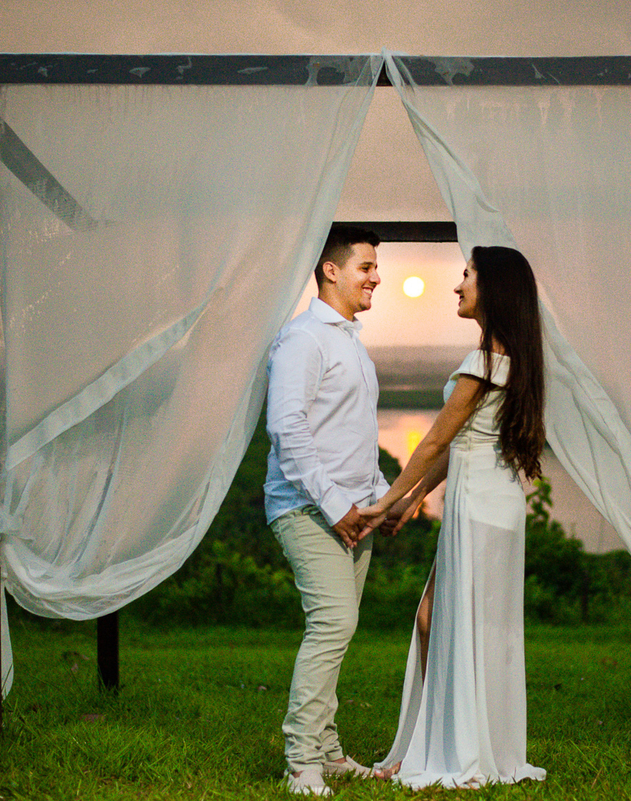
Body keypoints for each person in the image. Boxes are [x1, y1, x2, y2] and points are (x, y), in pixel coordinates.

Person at [357, 245, 548, 789]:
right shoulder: (512, 360)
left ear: (494, 289)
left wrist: (387, 500)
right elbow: (457, 446)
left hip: (480, 506)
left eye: (467, 275)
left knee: (450, 622)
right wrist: (412, 499)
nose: (458, 285)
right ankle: (452, 744)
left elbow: (437, 440)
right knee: (458, 623)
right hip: (494, 502)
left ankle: (452, 751)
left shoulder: (482, 363)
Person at [264, 225, 389, 796]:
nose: (376, 277)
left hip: (355, 516)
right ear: (331, 270)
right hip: (307, 510)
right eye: (366, 266)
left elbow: (352, 435)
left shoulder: (350, 342)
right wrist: (338, 506)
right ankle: (301, 762)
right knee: (333, 624)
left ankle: (330, 752)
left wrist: (382, 498)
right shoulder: (303, 339)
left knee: (340, 630)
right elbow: (287, 429)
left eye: (376, 267)